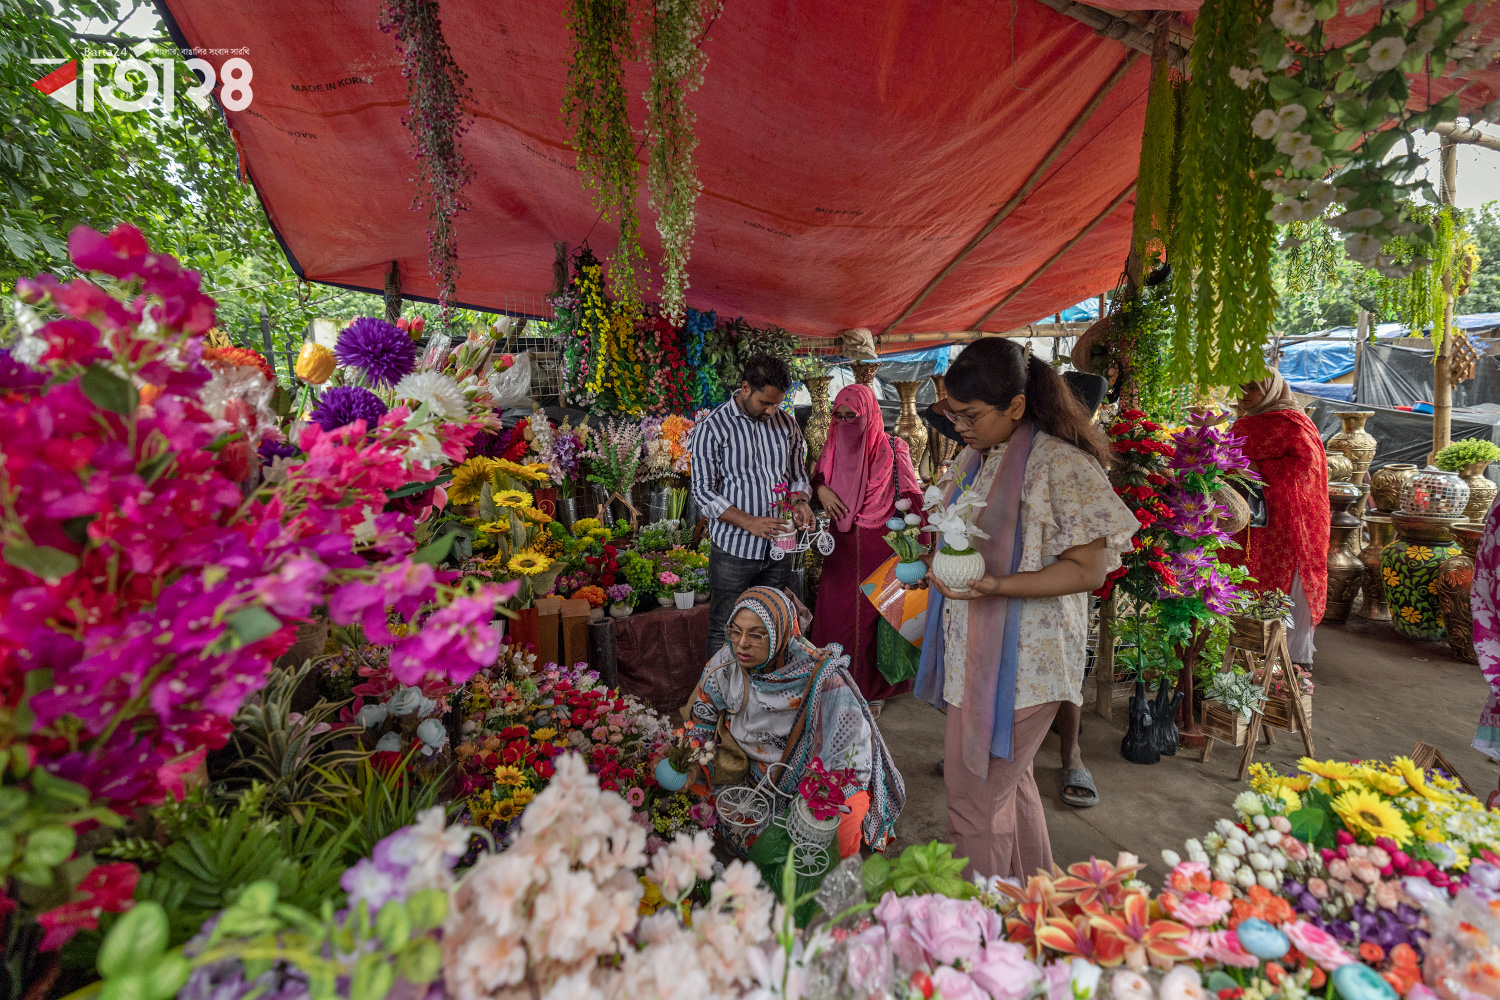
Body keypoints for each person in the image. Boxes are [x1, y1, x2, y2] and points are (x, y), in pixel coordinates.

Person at [914, 339, 1138, 880]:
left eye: (970, 415)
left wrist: (997, 584)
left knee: (974, 803)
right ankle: (1034, 906)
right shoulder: (980, 455)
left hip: (1027, 667)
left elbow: (1088, 570)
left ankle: (978, 934)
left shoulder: (1061, 464)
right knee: (1008, 790)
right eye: (953, 414)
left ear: (1016, 406)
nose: (960, 426)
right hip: (978, 654)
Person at [682, 586, 905, 856]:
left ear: (780, 635)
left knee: (841, 835)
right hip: (754, 773)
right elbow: (701, 722)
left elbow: (853, 754)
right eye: (735, 631)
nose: (741, 643)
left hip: (819, 777)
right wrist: (692, 766)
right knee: (699, 798)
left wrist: (821, 792)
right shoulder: (725, 666)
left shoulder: (823, 679)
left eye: (756, 634)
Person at [690, 355, 815, 658]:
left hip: (780, 548)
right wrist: (749, 522)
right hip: (734, 551)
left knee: (772, 623)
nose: (772, 410)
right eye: (765, 403)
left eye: (777, 404)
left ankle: (762, 696)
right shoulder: (713, 428)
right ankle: (717, 699)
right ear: (745, 388)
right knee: (725, 625)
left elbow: (798, 474)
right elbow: (703, 492)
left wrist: (800, 502)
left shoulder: (786, 424)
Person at [809, 384, 924, 709]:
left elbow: (913, 496)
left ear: (870, 415)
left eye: (853, 416)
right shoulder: (833, 444)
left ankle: (872, 690)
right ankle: (835, 681)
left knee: (879, 618)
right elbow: (819, 477)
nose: (845, 423)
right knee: (838, 616)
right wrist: (823, 492)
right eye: (839, 416)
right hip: (843, 547)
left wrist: (919, 546)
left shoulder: (893, 447)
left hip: (882, 544)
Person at [1223, 375, 1329, 668]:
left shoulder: (1294, 423)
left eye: (1253, 387)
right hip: (1244, 517)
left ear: (1272, 389)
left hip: (1285, 520)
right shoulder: (1243, 424)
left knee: (1284, 579)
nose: (1244, 393)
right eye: (1241, 386)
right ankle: (1243, 647)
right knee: (1242, 576)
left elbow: (1307, 468)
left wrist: (1256, 467)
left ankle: (1288, 654)